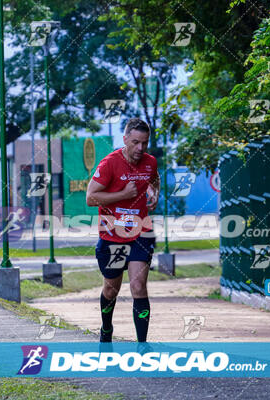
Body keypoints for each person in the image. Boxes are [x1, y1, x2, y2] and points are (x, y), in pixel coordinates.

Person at [86, 117, 159, 343]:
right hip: (112, 237)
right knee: (111, 290)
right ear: (125, 139)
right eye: (135, 142)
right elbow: (90, 198)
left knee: (138, 285)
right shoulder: (110, 164)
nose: (140, 148)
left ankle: (142, 345)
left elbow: (154, 179)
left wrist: (155, 193)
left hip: (141, 233)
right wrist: (123, 195)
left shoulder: (150, 162)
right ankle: (106, 328)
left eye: (144, 143)